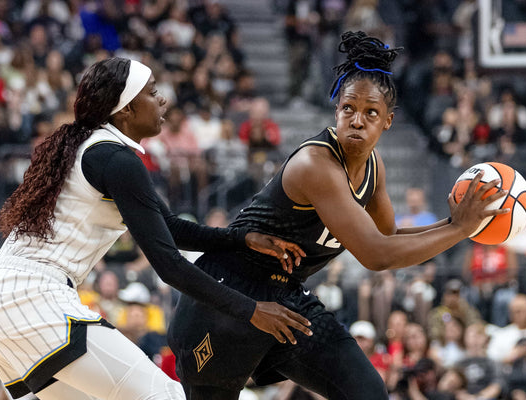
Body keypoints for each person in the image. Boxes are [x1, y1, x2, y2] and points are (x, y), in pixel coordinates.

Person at [167, 31, 508, 400]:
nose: (357, 120)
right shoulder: (316, 164)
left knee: (368, 391)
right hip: (226, 294)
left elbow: (388, 236)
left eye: (370, 112)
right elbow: (376, 256)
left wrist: (454, 223)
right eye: (349, 108)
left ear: (388, 122)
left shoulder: (373, 166)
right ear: (337, 111)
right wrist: (459, 229)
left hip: (285, 294)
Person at [0, 57, 312, 400]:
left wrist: (240, 239)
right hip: (32, 296)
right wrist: (252, 311)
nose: (163, 100)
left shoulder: (94, 150)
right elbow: (169, 265)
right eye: (152, 92)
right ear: (125, 109)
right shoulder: (116, 159)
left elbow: (172, 227)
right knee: (165, 396)